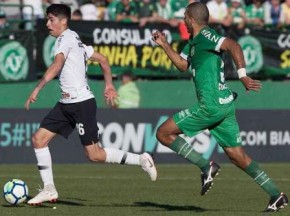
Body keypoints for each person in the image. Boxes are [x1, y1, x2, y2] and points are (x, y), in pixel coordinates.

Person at [152, 2, 288, 212]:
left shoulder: (206, 36)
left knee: (163, 133)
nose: (183, 21)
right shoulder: (193, 41)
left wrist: (242, 76)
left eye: (184, 17)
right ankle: (276, 195)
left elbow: (233, 45)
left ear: (190, 18)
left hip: (211, 105)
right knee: (237, 156)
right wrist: (164, 45)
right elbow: (182, 65)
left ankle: (206, 166)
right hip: (224, 105)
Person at [24, 4, 157, 205]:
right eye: (47, 19)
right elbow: (102, 59)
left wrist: (38, 87)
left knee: (94, 155)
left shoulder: (66, 38)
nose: (48, 24)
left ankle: (141, 159)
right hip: (66, 103)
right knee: (39, 139)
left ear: (63, 21)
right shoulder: (75, 40)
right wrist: (109, 85)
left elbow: (57, 64)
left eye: (51, 19)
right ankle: (49, 189)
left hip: (81, 103)